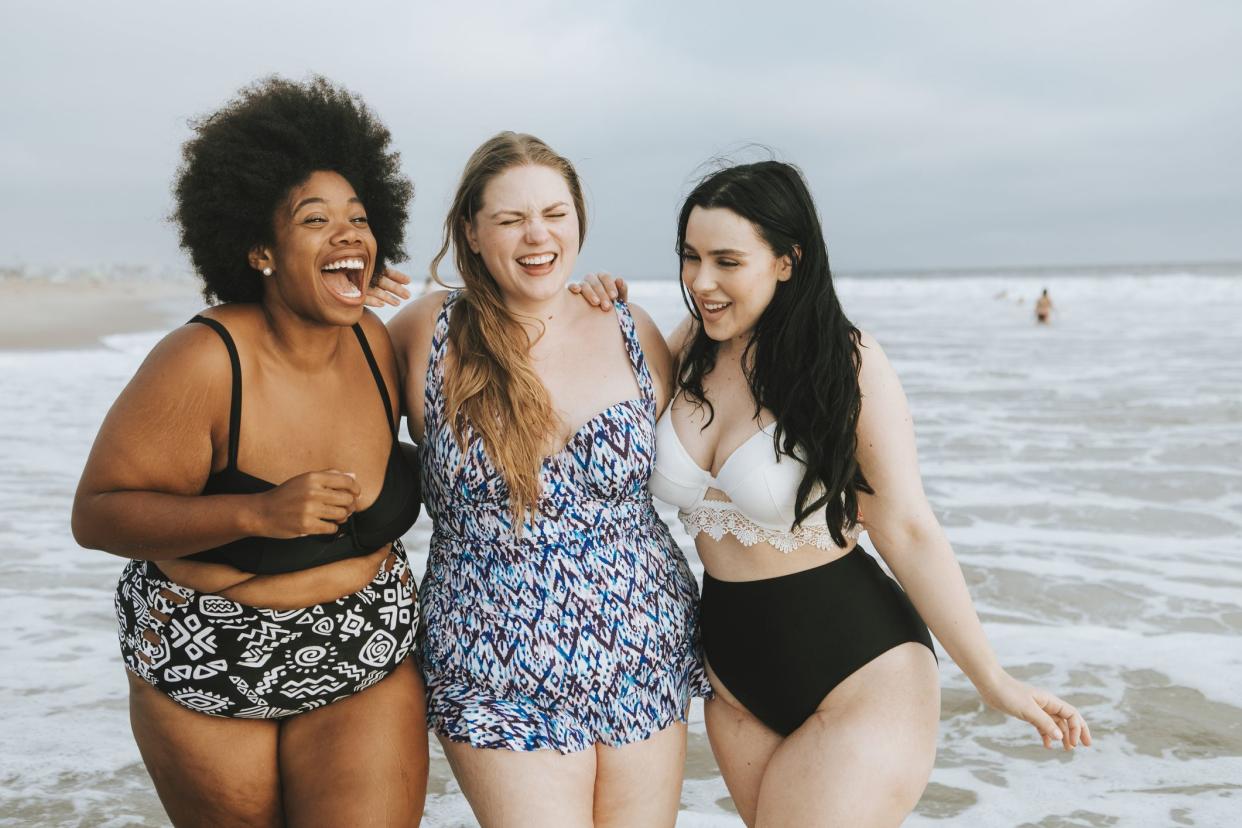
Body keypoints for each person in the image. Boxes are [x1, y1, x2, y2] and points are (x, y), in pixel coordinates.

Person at [572, 161, 1091, 827]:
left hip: (859, 671)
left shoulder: (847, 363)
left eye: (728, 261)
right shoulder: (691, 346)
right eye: (690, 257)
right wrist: (586, 306)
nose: (701, 281)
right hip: (733, 680)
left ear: (788, 261)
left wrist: (992, 679)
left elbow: (906, 527)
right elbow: (589, 411)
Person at [71, 77, 428, 826]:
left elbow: (502, 339)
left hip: (364, 654)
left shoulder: (377, 344)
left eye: (360, 220)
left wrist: (593, 297)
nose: (350, 235)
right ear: (261, 249)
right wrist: (257, 512)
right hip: (211, 659)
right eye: (316, 220)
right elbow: (99, 516)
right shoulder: (203, 360)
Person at [383, 132, 709, 827]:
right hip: (490, 657)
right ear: (471, 232)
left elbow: (722, 429)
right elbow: (322, 418)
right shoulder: (425, 332)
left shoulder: (627, 324)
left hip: (641, 643)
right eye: (510, 219)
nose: (538, 236)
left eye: (556, 214)